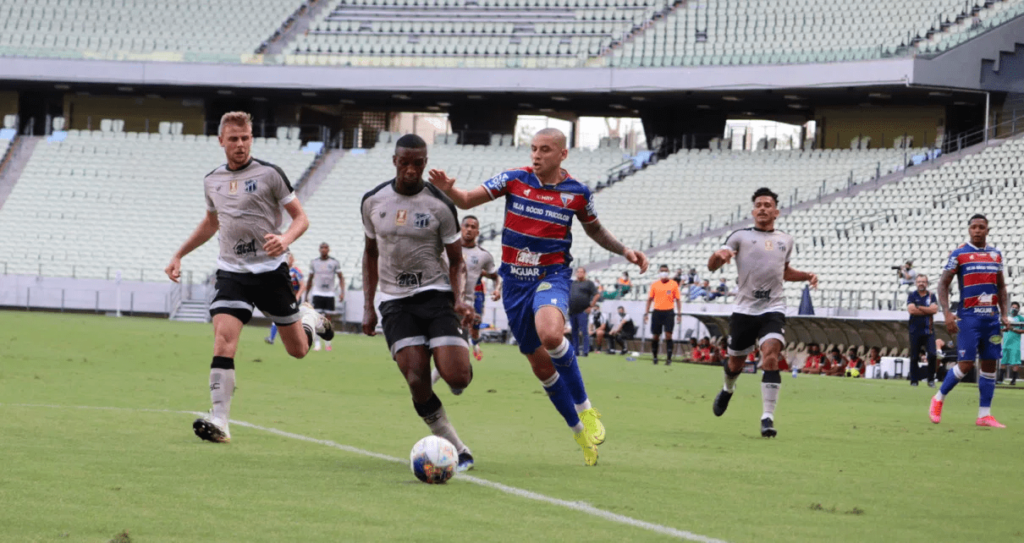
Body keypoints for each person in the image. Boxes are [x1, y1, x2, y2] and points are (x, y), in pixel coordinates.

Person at [429, 127, 649, 466]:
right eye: (533, 148)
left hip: (552, 276)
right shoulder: (514, 179)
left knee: (551, 334)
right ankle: (579, 432)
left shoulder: (577, 193)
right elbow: (468, 200)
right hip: (515, 284)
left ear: (562, 154)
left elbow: (594, 229)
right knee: (542, 368)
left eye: (544, 149)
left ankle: (587, 411)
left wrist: (625, 250)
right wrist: (450, 191)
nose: (536, 155)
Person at [165, 111, 332, 444]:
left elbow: (301, 219)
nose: (240, 145)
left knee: (298, 350)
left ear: (251, 139)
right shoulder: (212, 180)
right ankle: (220, 420)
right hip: (231, 273)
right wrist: (179, 253)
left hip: (271, 273)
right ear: (221, 141)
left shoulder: (271, 174)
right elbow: (211, 224)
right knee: (223, 341)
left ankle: (309, 319)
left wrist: (284, 240)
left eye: (245, 139)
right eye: (233, 139)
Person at [361, 134, 476, 472]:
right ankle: (458, 448)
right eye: (404, 162)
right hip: (395, 301)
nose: (410, 169)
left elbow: (457, 261)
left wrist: (459, 300)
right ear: (394, 161)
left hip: (436, 294)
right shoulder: (372, 201)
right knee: (416, 380)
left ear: (425, 163)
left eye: (417, 163)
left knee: (457, 378)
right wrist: (369, 305)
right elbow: (370, 254)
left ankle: (458, 356)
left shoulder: (441, 205)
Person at [708, 187, 818, 438]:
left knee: (771, 354)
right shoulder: (739, 237)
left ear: (776, 211)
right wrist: (718, 256)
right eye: (759, 204)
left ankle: (767, 418)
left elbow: (785, 272)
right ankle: (728, 389)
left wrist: (807, 275)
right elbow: (713, 265)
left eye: (768, 204)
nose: (763, 208)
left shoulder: (785, 240)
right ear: (753, 211)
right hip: (744, 310)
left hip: (773, 308)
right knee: (735, 362)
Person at [932, 214, 1009, 428]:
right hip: (969, 316)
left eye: (981, 227)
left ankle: (984, 415)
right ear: (969, 230)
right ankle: (939, 398)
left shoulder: (996, 255)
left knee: (990, 364)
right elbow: (942, 284)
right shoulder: (959, 254)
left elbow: (1001, 287)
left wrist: (1004, 314)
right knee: (965, 364)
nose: (977, 230)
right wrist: (947, 313)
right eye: (974, 227)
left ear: (987, 230)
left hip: (991, 319)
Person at [457, 215, 501, 361]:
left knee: (474, 325)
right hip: (445, 302)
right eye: (466, 226)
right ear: (460, 228)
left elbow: (496, 276)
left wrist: (497, 289)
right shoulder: (448, 249)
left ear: (478, 232)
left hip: (472, 298)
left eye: (473, 227)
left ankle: (475, 344)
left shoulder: (483, 256)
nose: (469, 229)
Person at [306, 242, 345, 352]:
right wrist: (306, 295)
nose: (324, 250)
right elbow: (309, 279)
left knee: (328, 320)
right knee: (316, 319)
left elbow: (341, 278)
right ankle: (317, 343)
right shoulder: (314, 262)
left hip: (329, 294)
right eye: (322, 248)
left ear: (329, 250)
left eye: (326, 248)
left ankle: (328, 343)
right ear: (319, 250)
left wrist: (342, 292)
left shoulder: (334, 262)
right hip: (317, 293)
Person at [644, 264, 682, 365]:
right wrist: (646, 313)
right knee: (655, 336)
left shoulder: (673, 284)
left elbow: (678, 300)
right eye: (662, 271)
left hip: (669, 312)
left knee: (668, 335)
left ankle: (669, 358)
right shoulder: (655, 285)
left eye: (665, 270)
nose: (663, 272)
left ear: (668, 272)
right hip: (657, 312)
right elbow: (649, 299)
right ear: (659, 272)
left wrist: (679, 314)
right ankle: (655, 357)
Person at [265, 253, 305, 345]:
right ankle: (272, 338)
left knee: (291, 319)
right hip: (283, 297)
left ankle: (299, 339)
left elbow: (303, 286)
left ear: (293, 260)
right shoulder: (281, 270)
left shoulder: (295, 271)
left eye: (289, 258)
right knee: (279, 317)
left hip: (292, 298)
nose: (287, 260)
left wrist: (297, 297)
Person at [907, 274, 939, 386]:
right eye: (919, 281)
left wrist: (919, 307)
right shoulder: (912, 295)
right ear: (916, 283)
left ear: (927, 283)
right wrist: (927, 310)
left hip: (928, 331)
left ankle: (930, 379)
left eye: (923, 281)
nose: (921, 283)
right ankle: (914, 381)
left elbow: (934, 310)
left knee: (932, 355)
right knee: (914, 356)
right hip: (914, 331)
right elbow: (911, 310)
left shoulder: (931, 296)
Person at [569, 267, 600, 357]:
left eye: (581, 272)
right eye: (578, 272)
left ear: (585, 273)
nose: (579, 273)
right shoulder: (573, 283)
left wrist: (591, 306)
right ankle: (575, 351)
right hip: (572, 311)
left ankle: (585, 351)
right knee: (574, 332)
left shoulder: (589, 283)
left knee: (584, 331)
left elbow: (597, 295)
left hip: (583, 311)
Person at [999, 302, 1024, 385]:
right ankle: (1000, 379)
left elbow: (1023, 330)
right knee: (1003, 362)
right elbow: (1001, 328)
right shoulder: (1006, 318)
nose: (1014, 309)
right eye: (1013, 307)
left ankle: (1013, 380)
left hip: (1015, 343)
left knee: (1015, 362)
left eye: (1016, 307)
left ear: (1019, 309)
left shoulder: (1021, 318)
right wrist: (1005, 329)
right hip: (1005, 343)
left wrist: (1013, 329)